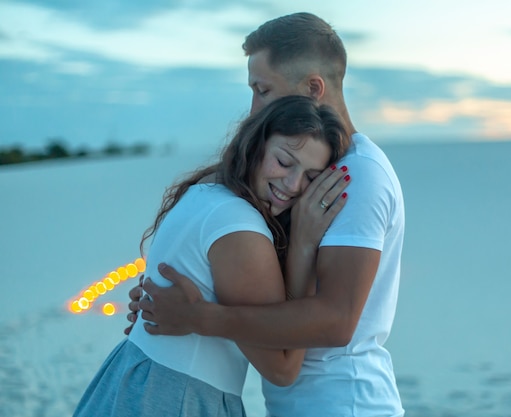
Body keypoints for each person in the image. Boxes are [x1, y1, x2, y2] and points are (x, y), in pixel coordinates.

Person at [131, 12, 406, 417]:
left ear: (313, 89)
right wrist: (163, 296)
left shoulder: (356, 175)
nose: (253, 107)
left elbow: (336, 321)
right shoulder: (312, 170)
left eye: (262, 90)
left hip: (345, 401)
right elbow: (262, 278)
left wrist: (195, 315)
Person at [74, 95, 352, 417]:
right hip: (178, 398)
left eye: (311, 178)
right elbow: (283, 368)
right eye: (284, 162)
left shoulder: (208, 189)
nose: (292, 184)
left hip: (133, 377)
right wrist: (304, 247)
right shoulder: (240, 227)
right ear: (256, 144)